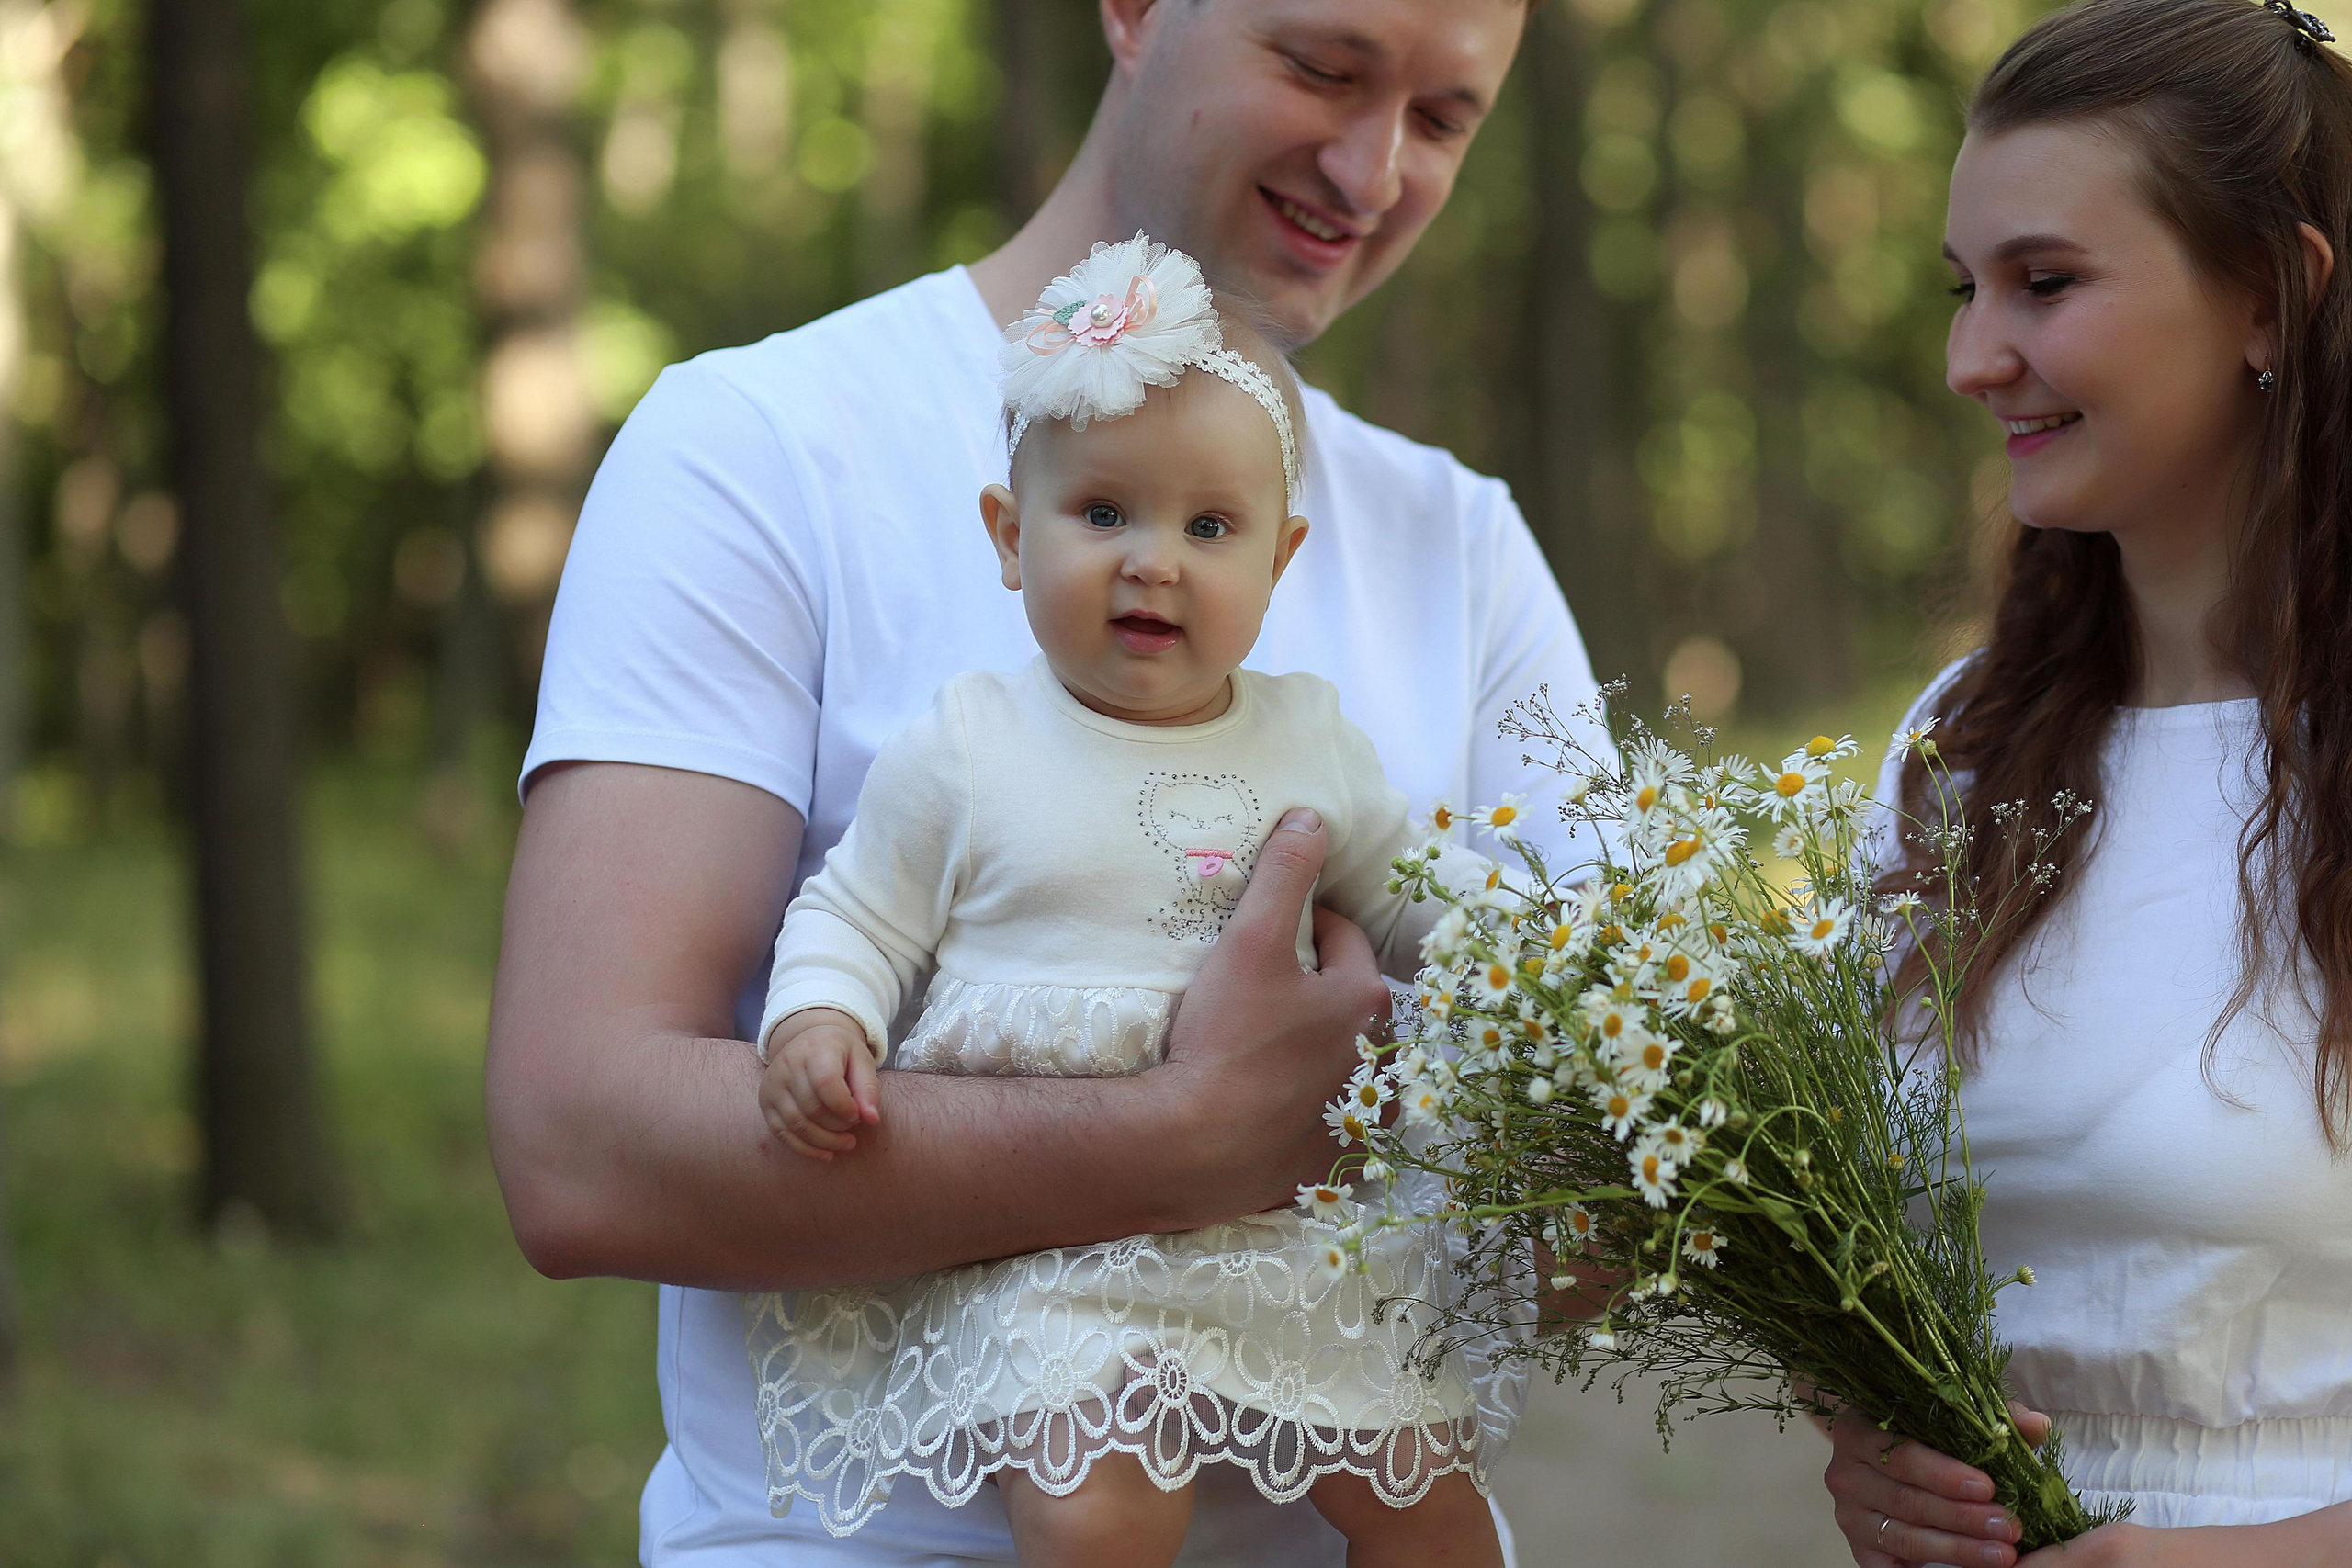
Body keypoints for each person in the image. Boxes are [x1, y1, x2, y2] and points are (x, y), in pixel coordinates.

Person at [483, 1, 1597, 1562]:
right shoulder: (761, 447)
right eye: (1322, 67)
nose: (1372, 167)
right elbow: (577, 1149)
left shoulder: (1458, 543)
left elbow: (1621, 1177)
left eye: (1445, 118)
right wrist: (1189, 1131)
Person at [750, 234, 1513, 1565]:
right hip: (1060, 1233)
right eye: (1103, 514)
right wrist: (821, 1022)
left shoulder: (1308, 740)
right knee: (1100, 1508)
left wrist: (1540, 960)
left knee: (1429, 1501)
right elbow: (857, 915)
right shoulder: (971, 743)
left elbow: (1414, 892)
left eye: (1208, 528)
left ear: (1280, 562)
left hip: (1282, 1224)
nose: (1154, 561)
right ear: (1009, 534)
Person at [1821, 2, 2352, 1563]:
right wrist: (1876, 1453)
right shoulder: (1963, 749)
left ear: (2272, 296)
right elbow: (1880, 1240)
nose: (1969, 358)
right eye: (1964, 287)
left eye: (2044, 284)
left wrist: (2229, 1562)